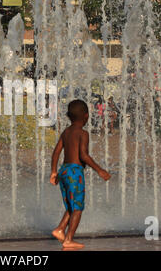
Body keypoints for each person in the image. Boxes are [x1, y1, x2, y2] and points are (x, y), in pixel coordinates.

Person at [49, 100, 111, 249]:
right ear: (86, 116)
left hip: (64, 170)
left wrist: (54, 172)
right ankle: (69, 239)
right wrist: (99, 169)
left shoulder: (66, 132)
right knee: (78, 208)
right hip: (75, 172)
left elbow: (56, 152)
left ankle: (59, 229)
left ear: (69, 116)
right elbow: (83, 155)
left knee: (72, 204)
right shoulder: (83, 133)